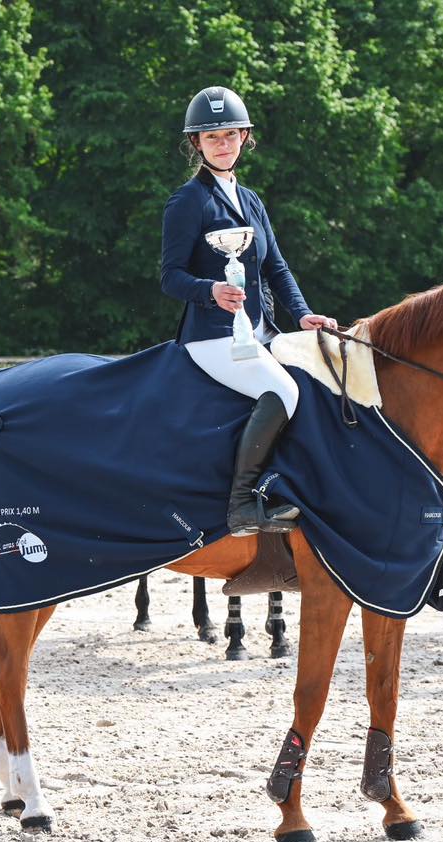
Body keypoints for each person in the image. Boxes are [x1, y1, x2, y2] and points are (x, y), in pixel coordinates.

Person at [160, 86, 338, 536]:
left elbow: (276, 267)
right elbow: (171, 276)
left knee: (320, 380)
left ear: (244, 138)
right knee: (283, 392)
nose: (222, 144)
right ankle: (241, 505)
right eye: (211, 137)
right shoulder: (188, 201)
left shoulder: (252, 200)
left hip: (260, 331)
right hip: (213, 336)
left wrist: (302, 315)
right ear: (196, 144)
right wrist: (210, 290)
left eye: (230, 135)